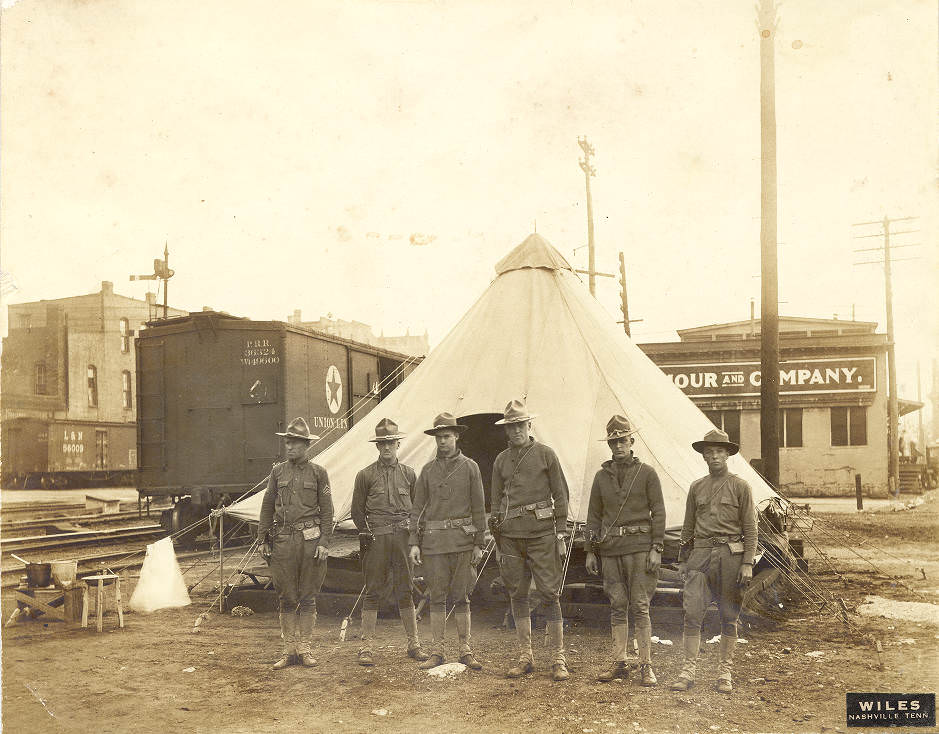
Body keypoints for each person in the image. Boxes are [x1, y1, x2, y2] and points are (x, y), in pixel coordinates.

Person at [670, 428, 758, 694]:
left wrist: (747, 563)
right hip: (700, 556)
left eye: (720, 451)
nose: (715, 456)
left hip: (731, 557)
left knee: (729, 616)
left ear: (728, 455)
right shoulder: (696, 487)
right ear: (704, 456)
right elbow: (688, 527)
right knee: (692, 614)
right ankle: (688, 671)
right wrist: (683, 560)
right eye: (710, 452)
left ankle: (724, 673)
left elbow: (750, 528)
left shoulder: (741, 486)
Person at [490, 399, 571, 681]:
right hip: (511, 537)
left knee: (550, 593)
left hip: (542, 534)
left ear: (529, 425)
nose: (516, 431)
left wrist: (560, 532)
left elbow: (561, 495)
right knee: (517, 593)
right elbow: (495, 502)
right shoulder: (500, 460)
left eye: (520, 425)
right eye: (511, 426)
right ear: (506, 429)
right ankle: (526, 657)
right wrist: (498, 539)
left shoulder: (546, 454)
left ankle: (558, 658)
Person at [585, 415, 665, 686]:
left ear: (631, 441)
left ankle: (646, 665)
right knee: (617, 605)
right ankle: (620, 663)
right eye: (613, 442)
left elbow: (659, 512)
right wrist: (590, 550)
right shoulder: (601, 477)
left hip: (640, 549)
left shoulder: (647, 473)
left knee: (640, 606)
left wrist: (656, 548)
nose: (618, 445)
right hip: (610, 550)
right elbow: (594, 516)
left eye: (622, 440)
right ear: (609, 445)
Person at [408, 413, 487, 670]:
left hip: (462, 542)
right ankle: (437, 651)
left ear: (456, 436)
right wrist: (414, 542)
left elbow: (479, 508)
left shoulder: (470, 467)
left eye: (447, 436)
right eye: (439, 437)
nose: (442, 441)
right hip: (434, 544)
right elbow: (417, 509)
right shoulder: (427, 471)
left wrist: (479, 543)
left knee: (462, 596)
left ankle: (465, 650)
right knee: (437, 596)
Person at [350, 418, 429, 666]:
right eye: (382, 443)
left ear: (398, 444)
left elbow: (417, 510)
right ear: (377, 446)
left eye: (391, 443)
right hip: (377, 538)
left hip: (403, 538)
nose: (386, 447)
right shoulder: (365, 475)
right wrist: (367, 534)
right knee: (372, 590)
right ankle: (366, 647)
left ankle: (414, 644)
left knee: (405, 589)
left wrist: (414, 539)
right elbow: (357, 512)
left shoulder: (409, 474)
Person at [257, 417, 332, 670]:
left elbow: (327, 510)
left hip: (310, 542)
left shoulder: (319, 473)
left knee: (308, 596)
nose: (289, 447)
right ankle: (289, 651)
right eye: (287, 442)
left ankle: (305, 649)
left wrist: (324, 541)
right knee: (286, 596)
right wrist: (262, 539)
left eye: (295, 443)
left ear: (306, 445)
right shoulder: (277, 472)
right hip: (283, 541)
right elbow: (267, 506)